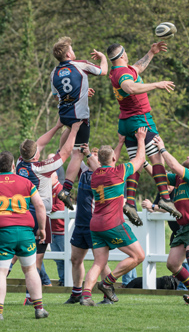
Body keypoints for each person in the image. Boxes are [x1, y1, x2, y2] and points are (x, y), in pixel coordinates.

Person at [105, 41, 181, 225]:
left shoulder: (121, 70)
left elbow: (137, 68)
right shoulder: (122, 74)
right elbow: (130, 87)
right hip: (140, 119)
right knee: (157, 158)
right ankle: (164, 197)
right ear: (123, 54)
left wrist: (151, 52)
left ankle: (130, 202)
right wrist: (157, 84)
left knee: (136, 163)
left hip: (126, 123)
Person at [0, 151, 49, 320]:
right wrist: (42, 229)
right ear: (13, 166)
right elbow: (40, 206)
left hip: (3, 233)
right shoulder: (26, 182)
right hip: (26, 233)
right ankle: (39, 309)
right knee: (30, 270)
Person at [80, 127, 148, 306]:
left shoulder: (95, 175)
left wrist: (89, 154)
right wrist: (141, 139)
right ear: (113, 159)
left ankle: (86, 296)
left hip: (95, 224)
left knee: (99, 262)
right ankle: (108, 283)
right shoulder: (119, 172)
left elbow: (97, 164)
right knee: (139, 256)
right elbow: (140, 159)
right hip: (113, 223)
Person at [17, 119, 82, 303]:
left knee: (15, 256)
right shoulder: (42, 168)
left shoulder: (20, 164)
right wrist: (74, 129)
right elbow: (66, 152)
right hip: (39, 217)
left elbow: (39, 144)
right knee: (36, 260)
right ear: (36, 155)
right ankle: (30, 297)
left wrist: (57, 126)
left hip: (21, 215)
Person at [50, 36, 108, 209]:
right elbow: (103, 71)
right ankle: (66, 190)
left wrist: (81, 93)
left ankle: (58, 157)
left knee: (68, 146)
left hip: (65, 114)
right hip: (79, 116)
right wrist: (103, 57)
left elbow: (57, 96)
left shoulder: (54, 72)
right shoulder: (79, 64)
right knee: (79, 153)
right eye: (72, 49)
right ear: (69, 53)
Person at [153, 136, 189, 306]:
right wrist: (144, 160)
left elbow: (173, 165)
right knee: (172, 264)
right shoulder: (179, 178)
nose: (187, 157)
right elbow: (159, 175)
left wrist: (162, 149)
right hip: (184, 227)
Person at [64, 145, 116, 305]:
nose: (91, 157)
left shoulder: (102, 174)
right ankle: (76, 293)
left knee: (101, 261)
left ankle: (108, 294)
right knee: (75, 259)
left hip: (95, 223)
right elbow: (74, 156)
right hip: (80, 223)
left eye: (95, 155)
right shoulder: (83, 172)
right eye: (91, 154)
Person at [50, 170, 65, 286]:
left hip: (61, 230)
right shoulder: (50, 190)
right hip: (53, 230)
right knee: (58, 259)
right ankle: (62, 280)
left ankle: (66, 280)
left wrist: (46, 207)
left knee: (64, 258)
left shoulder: (60, 190)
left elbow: (60, 207)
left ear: (56, 177)